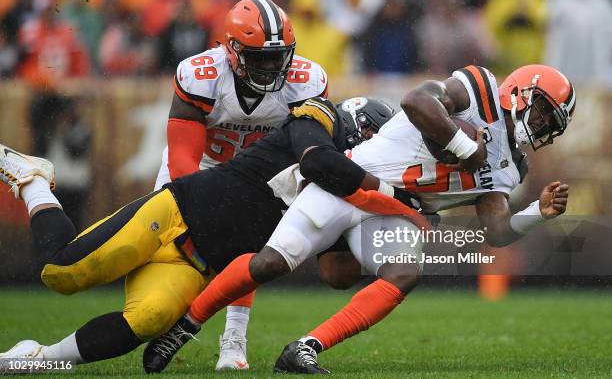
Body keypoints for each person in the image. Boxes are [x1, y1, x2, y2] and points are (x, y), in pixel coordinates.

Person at [146, 64, 574, 374]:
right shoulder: (479, 87)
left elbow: (495, 231)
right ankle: (186, 325)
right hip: (352, 183)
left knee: (405, 272)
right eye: (542, 113)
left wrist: (539, 212)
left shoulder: (512, 167)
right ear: (521, 92)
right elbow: (417, 100)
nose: (540, 127)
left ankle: (305, 348)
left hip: (396, 212)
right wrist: (467, 149)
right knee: (269, 264)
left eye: (549, 124)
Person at [0, 96, 411, 374]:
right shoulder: (317, 120)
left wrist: (374, 229)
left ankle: (35, 358)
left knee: (147, 320)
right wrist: (393, 195)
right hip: (176, 212)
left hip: (197, 263)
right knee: (61, 270)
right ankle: (31, 177)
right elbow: (320, 159)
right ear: (363, 129)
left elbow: (334, 274)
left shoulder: (347, 192)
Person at [152, 0, 328, 370]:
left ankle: (234, 339)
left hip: (257, 174)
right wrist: (204, 209)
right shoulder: (201, 75)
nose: (270, 66)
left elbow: (310, 148)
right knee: (164, 254)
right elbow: (182, 158)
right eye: (259, 56)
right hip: (201, 166)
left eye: (278, 56)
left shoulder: (306, 82)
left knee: (248, 246)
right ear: (231, 49)